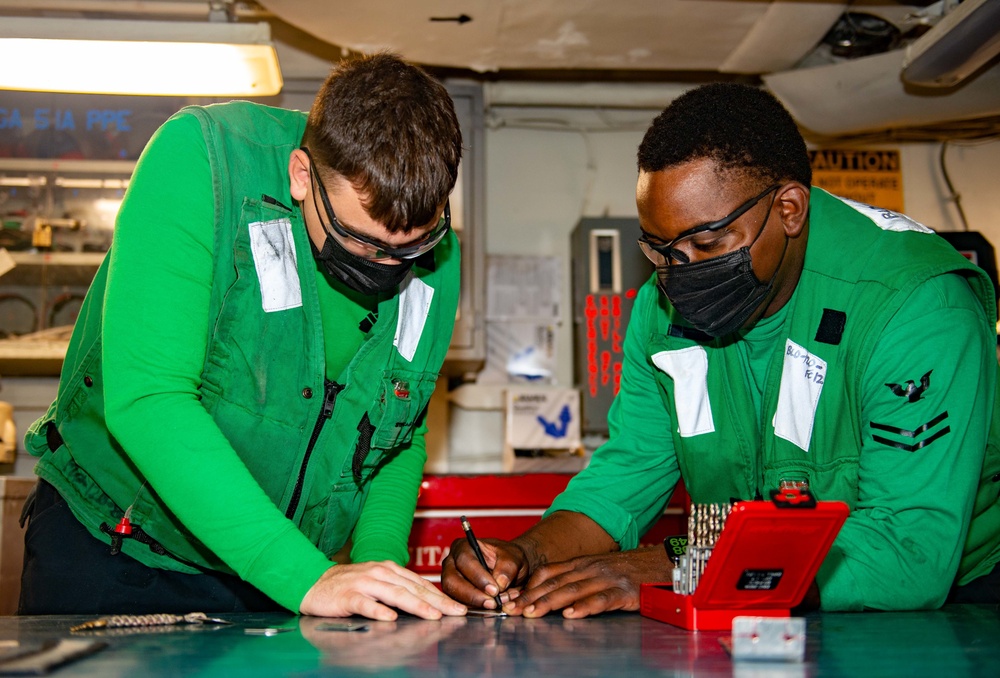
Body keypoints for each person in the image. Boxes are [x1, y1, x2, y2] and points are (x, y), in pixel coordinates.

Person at [442, 82, 1000, 616]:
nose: (680, 275)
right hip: (746, 598)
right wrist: (525, 553)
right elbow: (629, 471)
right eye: (661, 250)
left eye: (707, 243)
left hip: (951, 603)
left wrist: (680, 565)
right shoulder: (660, 315)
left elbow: (907, 549)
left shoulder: (916, 308)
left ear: (789, 209)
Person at [18, 52, 468, 622]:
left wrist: (378, 573)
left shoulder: (436, 257)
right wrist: (305, 577)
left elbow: (398, 434)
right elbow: (150, 400)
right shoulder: (200, 162)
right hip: (117, 554)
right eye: (362, 242)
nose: (389, 263)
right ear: (302, 176)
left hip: (286, 576)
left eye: (411, 246)